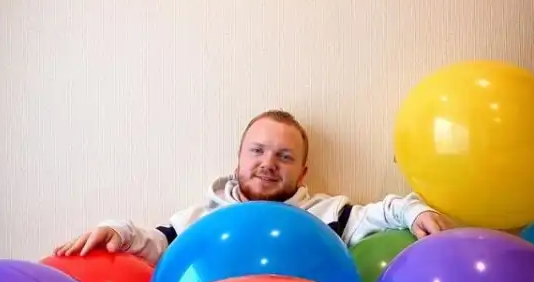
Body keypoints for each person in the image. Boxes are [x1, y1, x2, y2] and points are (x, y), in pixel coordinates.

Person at [54, 109, 452, 266]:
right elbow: (153, 243)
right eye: (258, 151)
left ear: (302, 173)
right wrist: (117, 230)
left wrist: (414, 210)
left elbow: (383, 212)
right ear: (238, 161)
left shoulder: (329, 216)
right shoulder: (202, 218)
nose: (268, 163)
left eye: (284, 156)